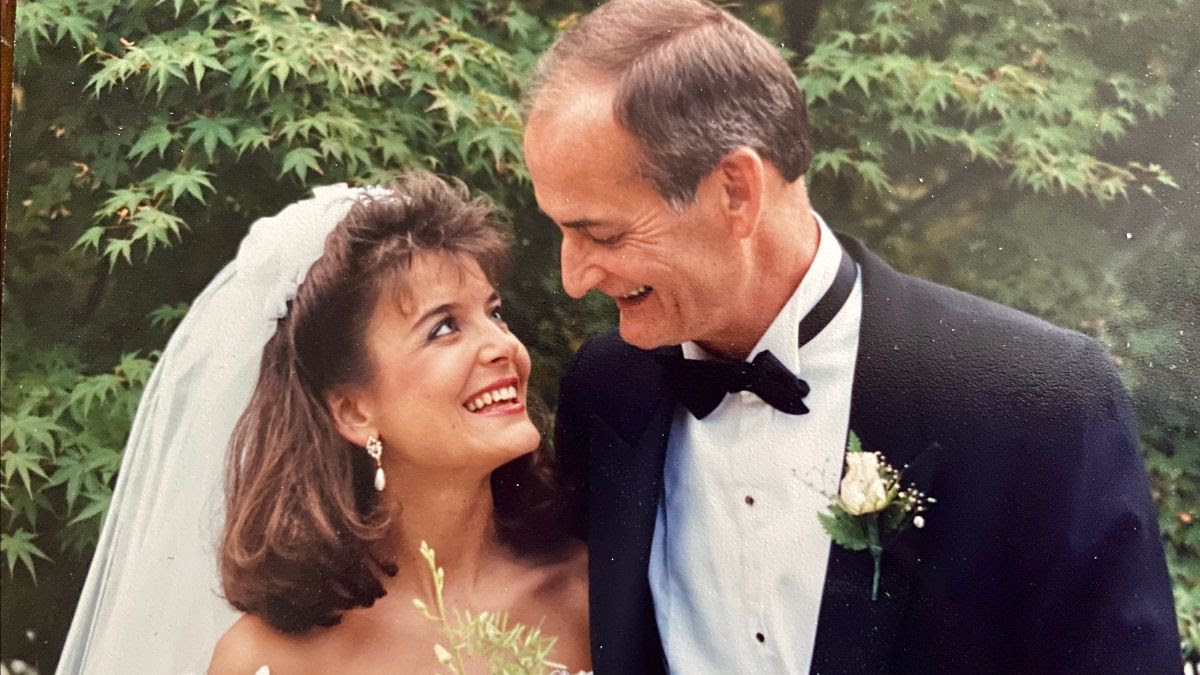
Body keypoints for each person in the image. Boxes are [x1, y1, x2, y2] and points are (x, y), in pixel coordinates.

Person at [521, 1, 1181, 673]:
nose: (573, 277)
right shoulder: (605, 390)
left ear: (736, 191)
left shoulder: (1036, 399)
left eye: (602, 233)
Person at [59, 175, 589, 674]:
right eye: (444, 328)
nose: (503, 346)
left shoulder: (591, 591)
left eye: (493, 313)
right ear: (354, 411)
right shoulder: (264, 659)